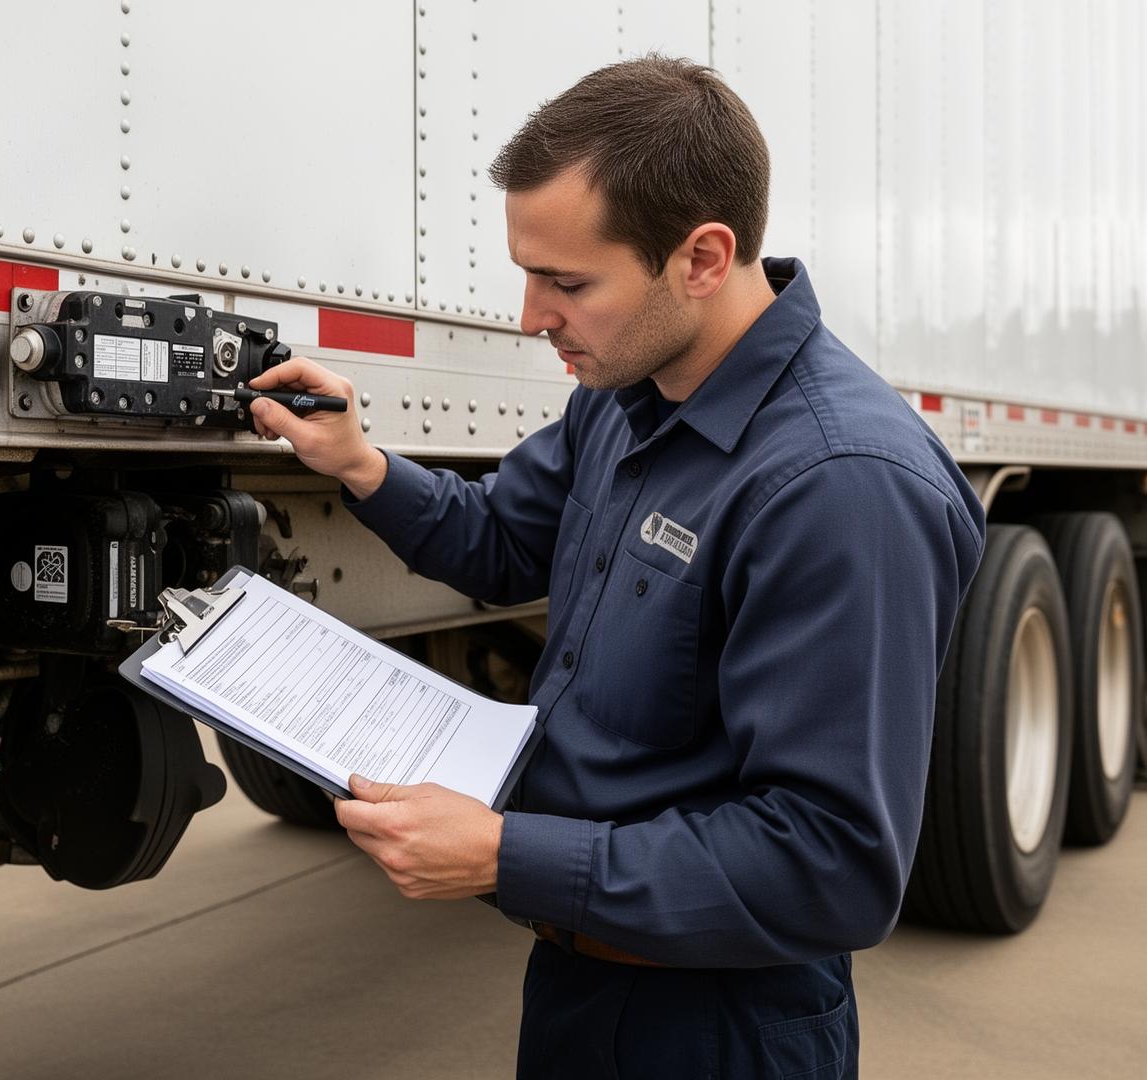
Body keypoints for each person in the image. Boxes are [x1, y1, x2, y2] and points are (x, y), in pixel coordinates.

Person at [245, 56, 985, 1079]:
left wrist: (505, 855)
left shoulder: (840, 487)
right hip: (578, 981)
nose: (531, 315)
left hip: (718, 1027)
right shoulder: (628, 394)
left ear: (702, 258)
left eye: (568, 282)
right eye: (529, 274)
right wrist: (363, 465)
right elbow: (505, 540)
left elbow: (831, 865)